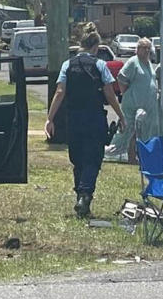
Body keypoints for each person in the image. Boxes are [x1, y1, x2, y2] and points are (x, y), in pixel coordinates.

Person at [45, 23, 126, 218]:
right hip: (94, 117)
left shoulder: (67, 64)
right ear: (96, 47)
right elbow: (109, 93)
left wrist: (50, 118)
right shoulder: (100, 65)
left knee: (78, 159)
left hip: (73, 118)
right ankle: (84, 195)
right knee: (93, 159)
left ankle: (81, 199)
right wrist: (121, 115)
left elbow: (60, 91)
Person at [106, 38, 160, 163]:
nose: (146, 50)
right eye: (143, 47)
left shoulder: (148, 63)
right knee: (130, 130)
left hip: (147, 105)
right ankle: (123, 155)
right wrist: (127, 93)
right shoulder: (133, 62)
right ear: (138, 49)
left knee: (144, 131)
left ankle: (139, 156)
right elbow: (121, 78)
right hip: (133, 104)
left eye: (148, 48)